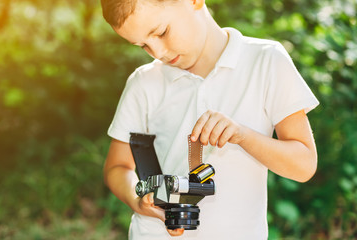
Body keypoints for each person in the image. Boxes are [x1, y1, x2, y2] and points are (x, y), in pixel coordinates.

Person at [101, 0, 319, 239]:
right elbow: (117, 167)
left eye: (162, 32)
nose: (158, 52)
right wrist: (137, 198)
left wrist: (242, 136)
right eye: (143, 45)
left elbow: (304, 165)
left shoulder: (266, 61)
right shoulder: (143, 82)